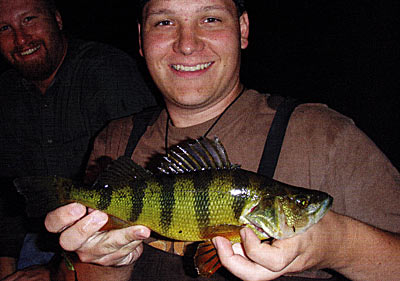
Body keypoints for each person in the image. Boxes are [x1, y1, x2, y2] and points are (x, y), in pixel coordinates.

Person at [12, 0, 400, 280]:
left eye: (210, 18)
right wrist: (101, 262)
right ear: (142, 39)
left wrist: (338, 243)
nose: (187, 43)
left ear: (243, 29)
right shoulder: (115, 139)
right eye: (164, 22)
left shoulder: (325, 136)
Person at [0, 0, 157, 279]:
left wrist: (56, 271)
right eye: (4, 28)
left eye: (29, 20)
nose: (21, 39)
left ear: (57, 19)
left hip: (107, 242)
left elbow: (145, 195)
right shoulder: (6, 93)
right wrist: (7, 266)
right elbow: (8, 192)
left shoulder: (107, 71)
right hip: (35, 238)